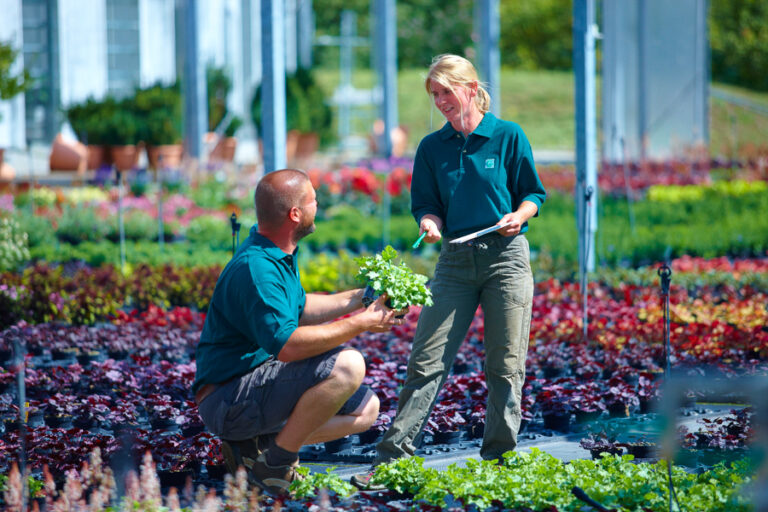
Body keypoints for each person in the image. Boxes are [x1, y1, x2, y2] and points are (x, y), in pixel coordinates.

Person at [352, 54, 546, 488]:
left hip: (506, 257)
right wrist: (430, 222)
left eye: (446, 91)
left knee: (505, 364)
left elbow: (533, 192)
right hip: (455, 263)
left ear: (472, 88)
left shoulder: (507, 136)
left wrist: (521, 213)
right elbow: (426, 203)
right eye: (434, 94)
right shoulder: (431, 147)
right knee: (426, 360)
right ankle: (393, 461)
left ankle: (499, 463)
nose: (440, 100)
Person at [193, 168, 404, 494]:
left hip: (250, 386)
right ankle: (274, 465)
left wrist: (364, 297)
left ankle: (257, 446)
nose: (317, 206)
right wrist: (362, 323)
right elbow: (288, 346)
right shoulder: (258, 269)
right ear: (295, 214)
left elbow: (301, 309)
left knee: (366, 409)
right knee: (348, 366)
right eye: (313, 200)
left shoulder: (274, 253)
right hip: (228, 398)